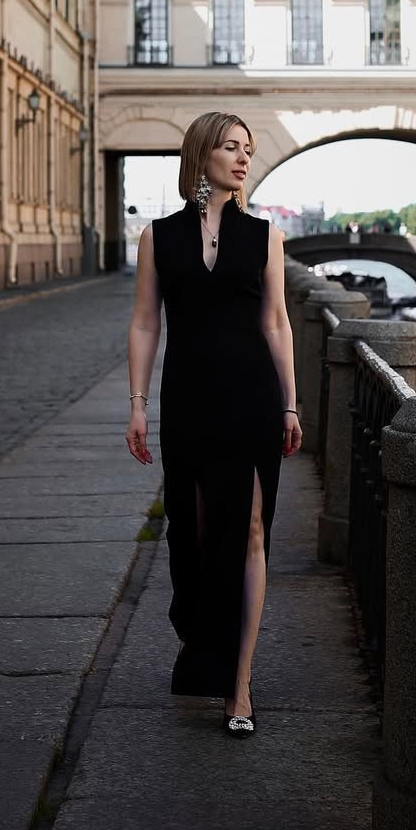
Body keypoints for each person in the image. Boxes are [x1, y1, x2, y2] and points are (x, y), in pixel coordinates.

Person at [124, 112, 301, 738]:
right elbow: (146, 322)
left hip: (251, 398)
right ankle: (202, 640)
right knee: (196, 537)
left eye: (248, 148)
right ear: (202, 155)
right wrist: (138, 403)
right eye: (231, 146)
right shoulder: (159, 237)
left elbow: (276, 323)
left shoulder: (266, 236)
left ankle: (239, 684)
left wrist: (291, 403)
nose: (244, 157)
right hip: (189, 401)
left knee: (250, 529)